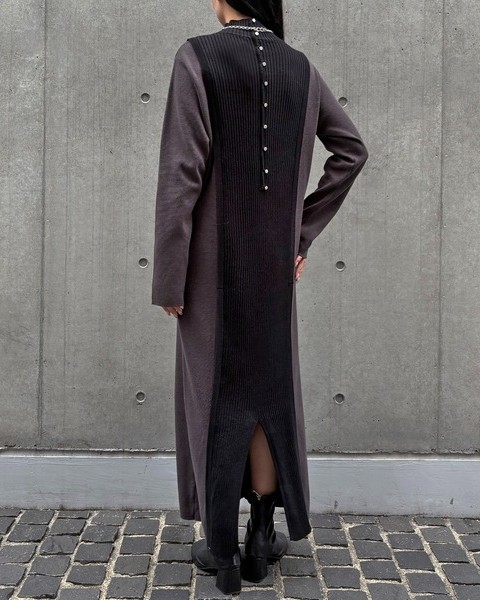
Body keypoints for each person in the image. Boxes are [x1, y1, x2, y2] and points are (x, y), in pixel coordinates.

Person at [151, 0, 369, 594]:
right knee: (267, 396)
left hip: (208, 269)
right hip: (273, 267)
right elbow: (351, 150)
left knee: (214, 394)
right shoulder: (300, 66)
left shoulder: (197, 57)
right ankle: (260, 539)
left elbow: (182, 173)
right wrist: (299, 233)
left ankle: (222, 551)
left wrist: (170, 275)